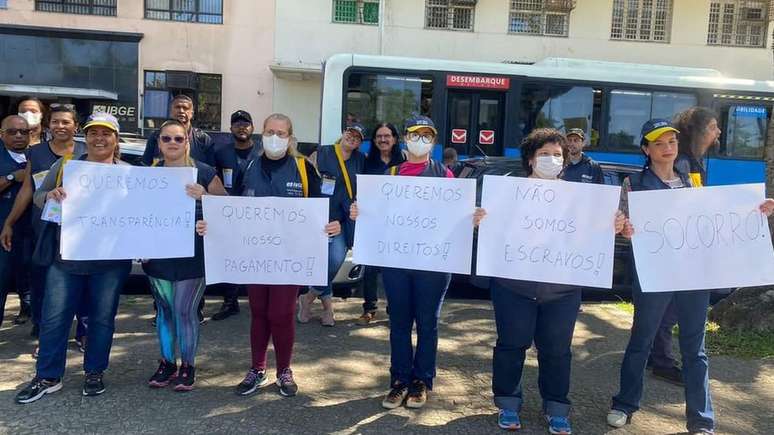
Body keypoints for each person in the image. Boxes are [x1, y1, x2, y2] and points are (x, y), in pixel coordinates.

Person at [606, 119, 773, 434]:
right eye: (659, 144)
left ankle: (701, 419)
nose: (667, 148)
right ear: (646, 150)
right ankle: (624, 405)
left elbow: (713, 220)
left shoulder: (692, 181)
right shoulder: (634, 184)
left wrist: (756, 211)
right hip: (654, 275)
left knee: (694, 348)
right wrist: (625, 229)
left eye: (671, 142)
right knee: (641, 341)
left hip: (693, 274)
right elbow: (624, 227)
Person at [482, 128, 626, 434]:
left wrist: (611, 224)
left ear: (565, 161)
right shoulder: (508, 193)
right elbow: (493, 231)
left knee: (557, 351)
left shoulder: (581, 198)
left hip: (562, 289)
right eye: (544, 154)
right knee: (511, 345)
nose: (551, 159)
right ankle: (508, 403)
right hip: (513, 287)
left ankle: (557, 407)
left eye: (557, 155)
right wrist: (481, 217)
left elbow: (593, 232)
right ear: (531, 159)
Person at [196, 113, 342, 398]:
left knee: (281, 313)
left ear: (290, 137)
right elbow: (232, 208)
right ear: (262, 134)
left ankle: (284, 370)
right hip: (255, 255)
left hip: (290, 257)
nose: (275, 137)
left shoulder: (303, 168)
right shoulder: (248, 166)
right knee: (259, 312)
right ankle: (257, 368)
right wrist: (211, 224)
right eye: (270, 131)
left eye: (281, 132)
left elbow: (321, 208)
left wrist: (332, 223)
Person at [349, 115, 483, 410]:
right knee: (399, 323)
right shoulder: (390, 175)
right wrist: (359, 212)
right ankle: (399, 381)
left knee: (427, 323)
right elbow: (375, 215)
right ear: (405, 138)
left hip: (433, 265)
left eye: (427, 135)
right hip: (396, 262)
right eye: (415, 134)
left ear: (433, 142)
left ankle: (421, 380)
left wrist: (470, 219)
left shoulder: (444, 175)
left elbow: (457, 217)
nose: (420, 140)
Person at [15, 112, 132, 403]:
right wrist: (52, 195)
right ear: (86, 137)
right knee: (55, 319)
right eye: (94, 133)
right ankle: (48, 376)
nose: (99, 138)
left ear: (115, 140)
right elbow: (39, 197)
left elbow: (142, 216)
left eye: (106, 133)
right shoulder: (66, 166)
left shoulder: (130, 173)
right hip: (65, 258)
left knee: (102, 320)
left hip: (110, 262)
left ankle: (95, 372)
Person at [144, 120, 227, 392]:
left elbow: (228, 207)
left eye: (178, 139)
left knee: (184, 310)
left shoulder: (203, 172)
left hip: (193, 254)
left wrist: (205, 197)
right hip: (158, 255)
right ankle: (167, 362)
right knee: (165, 311)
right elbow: (137, 215)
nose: (172, 143)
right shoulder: (149, 174)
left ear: (187, 142)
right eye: (166, 138)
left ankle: (188, 366)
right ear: (159, 143)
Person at [644, 108, 723, 386]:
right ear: (699, 131)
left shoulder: (693, 162)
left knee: (668, 309)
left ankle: (657, 356)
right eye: (713, 126)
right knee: (670, 310)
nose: (718, 132)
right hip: (676, 248)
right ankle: (662, 361)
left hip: (683, 246)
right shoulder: (685, 164)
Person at [0, 105, 88, 350]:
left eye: (66, 122)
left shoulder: (86, 150)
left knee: (82, 283)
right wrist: (9, 222)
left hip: (79, 232)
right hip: (43, 230)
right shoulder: (36, 153)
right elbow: (28, 190)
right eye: (56, 122)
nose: (60, 126)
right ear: (48, 126)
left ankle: (83, 331)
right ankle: (41, 327)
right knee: (42, 281)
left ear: (75, 127)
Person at [298, 123, 366, 326]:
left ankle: (308, 297)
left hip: (343, 220)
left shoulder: (360, 160)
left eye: (357, 137)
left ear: (360, 143)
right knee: (321, 263)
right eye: (349, 133)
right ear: (343, 134)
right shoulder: (322, 152)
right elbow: (305, 179)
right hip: (319, 217)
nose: (352, 138)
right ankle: (328, 308)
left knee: (334, 260)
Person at [209, 110, 262, 321]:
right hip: (229, 212)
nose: (242, 127)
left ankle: (258, 302)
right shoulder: (221, 153)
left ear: (252, 128)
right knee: (229, 257)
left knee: (257, 257)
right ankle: (230, 302)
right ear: (230, 128)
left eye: (246, 123)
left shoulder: (261, 152)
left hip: (256, 213)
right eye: (237, 123)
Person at [357, 122, 405, 326]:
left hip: (399, 223)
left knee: (394, 269)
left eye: (387, 136)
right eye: (379, 136)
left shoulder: (404, 161)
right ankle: (369, 309)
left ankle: (394, 309)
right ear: (374, 140)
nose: (383, 140)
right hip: (373, 222)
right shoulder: (368, 162)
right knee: (370, 267)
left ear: (395, 138)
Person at [0, 115, 32, 326]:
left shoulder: (37, 155)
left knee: (33, 285)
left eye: (24, 132)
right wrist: (13, 177)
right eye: (12, 132)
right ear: (1, 134)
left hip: (33, 234)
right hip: (4, 235)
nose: (19, 136)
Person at [142, 94, 216, 167]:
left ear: (192, 114)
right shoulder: (156, 137)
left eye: (185, 108)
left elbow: (211, 172)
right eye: (177, 107)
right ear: (170, 111)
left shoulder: (203, 139)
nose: (181, 111)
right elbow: (145, 167)